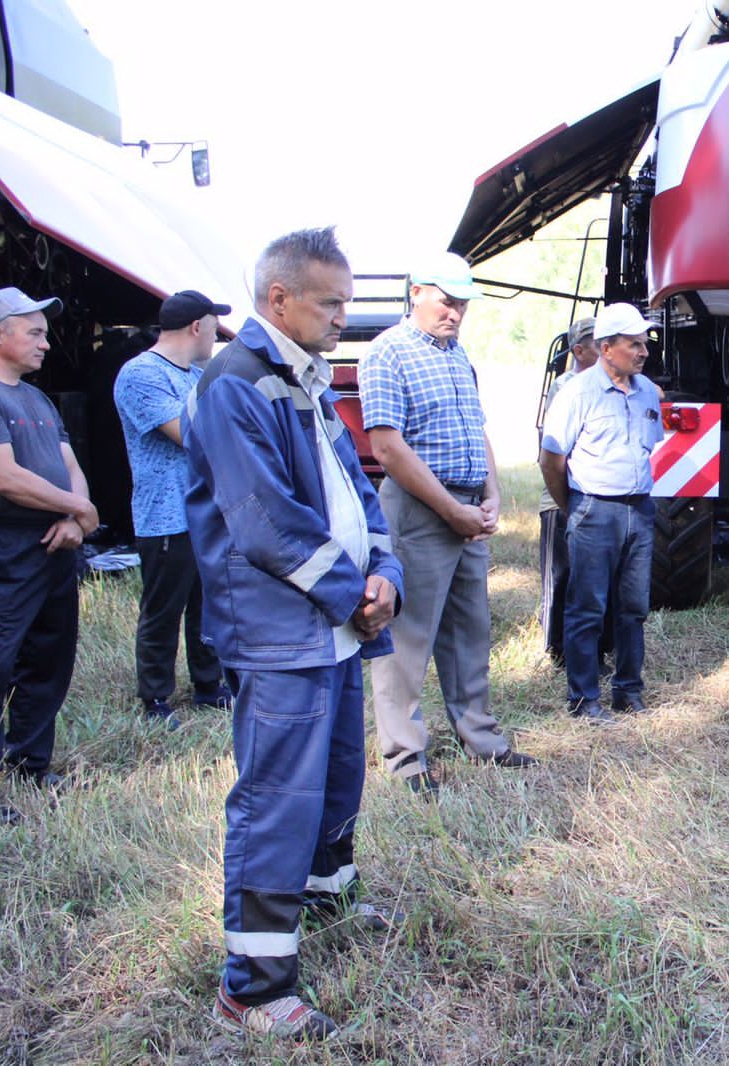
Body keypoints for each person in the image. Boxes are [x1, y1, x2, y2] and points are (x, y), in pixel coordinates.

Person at [185, 228, 402, 1039]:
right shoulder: (235, 383)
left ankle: (326, 895)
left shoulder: (304, 379)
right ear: (280, 300)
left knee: (338, 779)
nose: (345, 317)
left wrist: (387, 574)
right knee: (278, 801)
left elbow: (359, 493)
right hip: (283, 635)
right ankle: (253, 987)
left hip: (334, 628)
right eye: (332, 302)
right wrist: (356, 594)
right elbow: (265, 525)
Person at [360, 252, 533, 795]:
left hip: (466, 509)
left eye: (462, 303)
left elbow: (476, 429)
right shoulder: (388, 352)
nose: (455, 312)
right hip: (419, 512)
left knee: (468, 631)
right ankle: (406, 756)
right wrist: (451, 510)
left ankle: (480, 736)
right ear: (417, 292)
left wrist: (492, 492)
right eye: (445, 300)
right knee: (408, 635)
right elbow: (388, 449)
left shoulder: (458, 356)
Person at [0, 287, 96, 825]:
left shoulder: (35, 398)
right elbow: (4, 477)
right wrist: (80, 510)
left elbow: (68, 462)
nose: (46, 342)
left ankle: (31, 762)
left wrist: (74, 515)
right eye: (34, 332)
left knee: (49, 658)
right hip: (0, 547)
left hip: (54, 546)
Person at [113, 289, 233, 728]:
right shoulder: (140, 374)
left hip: (206, 512)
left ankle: (208, 684)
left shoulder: (196, 373)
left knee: (208, 606)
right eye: (215, 325)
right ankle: (156, 697)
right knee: (163, 608)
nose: (218, 335)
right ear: (196, 326)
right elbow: (188, 432)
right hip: (164, 513)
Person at [538, 302, 661, 724]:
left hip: (639, 510)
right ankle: (584, 699)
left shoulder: (646, 391)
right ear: (606, 348)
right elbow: (551, 459)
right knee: (587, 608)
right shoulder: (576, 392)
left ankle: (628, 692)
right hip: (594, 508)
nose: (644, 351)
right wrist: (574, 507)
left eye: (645, 343)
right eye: (634, 344)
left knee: (634, 607)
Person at [537, 316, 598, 662]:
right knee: (560, 576)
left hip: (587, 495)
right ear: (578, 350)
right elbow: (555, 450)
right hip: (561, 495)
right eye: (595, 343)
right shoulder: (565, 387)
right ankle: (555, 648)